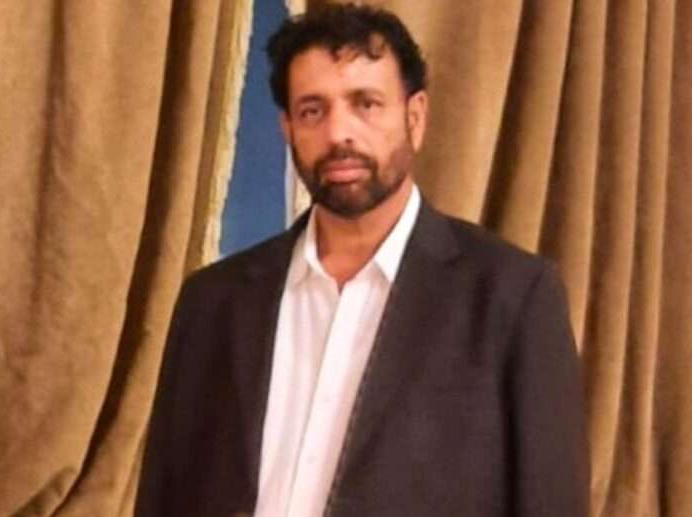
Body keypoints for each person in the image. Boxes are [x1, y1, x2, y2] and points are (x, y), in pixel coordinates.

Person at [135, 3, 589, 516]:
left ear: (415, 118)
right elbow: (164, 495)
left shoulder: (512, 298)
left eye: (366, 104)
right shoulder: (212, 301)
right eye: (313, 110)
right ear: (287, 128)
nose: (338, 135)